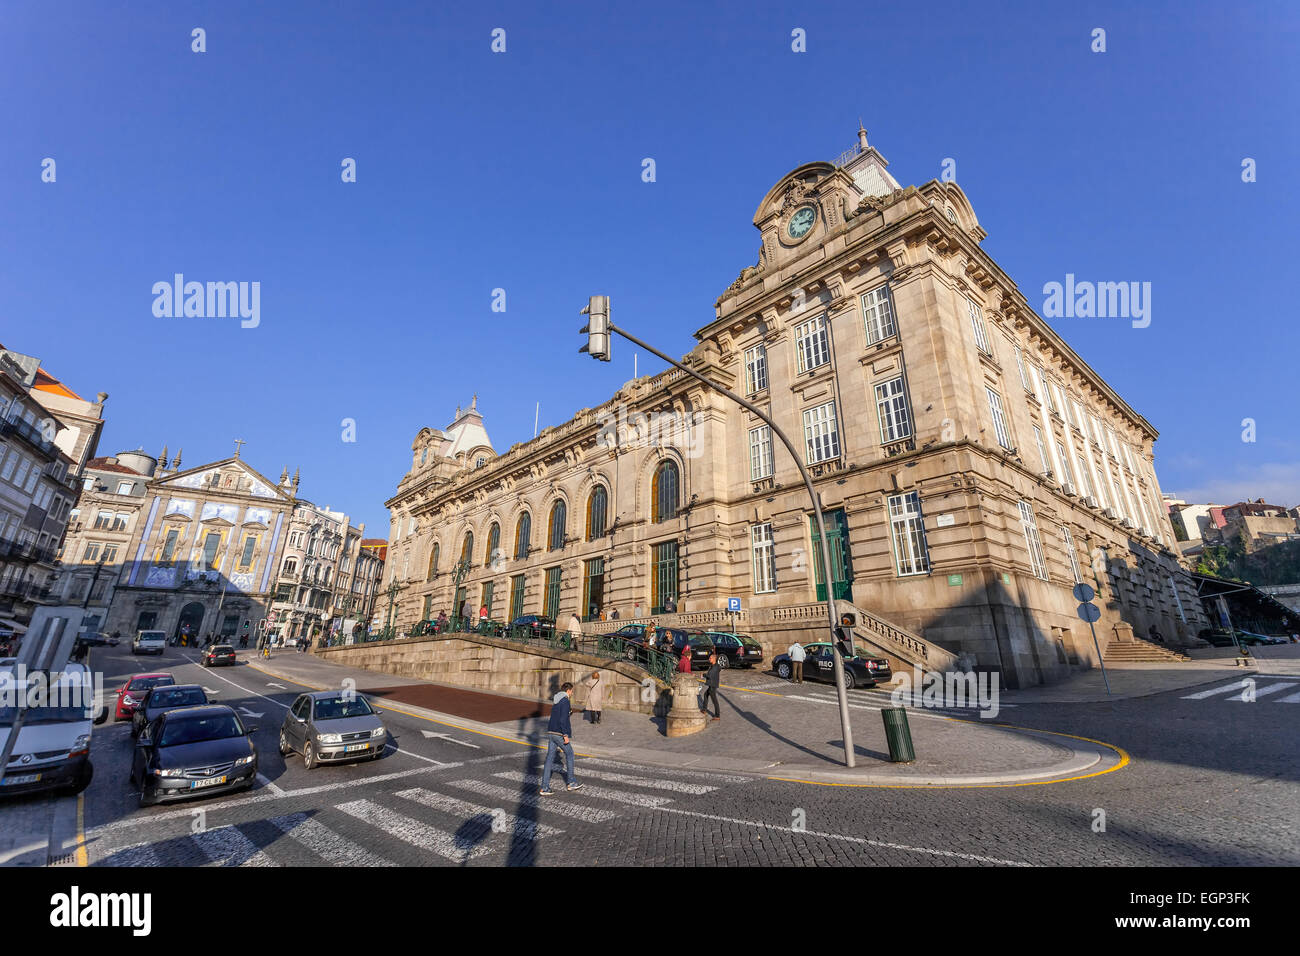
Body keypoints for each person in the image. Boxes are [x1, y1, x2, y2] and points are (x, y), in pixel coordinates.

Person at [539, 682, 582, 795]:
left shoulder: (556, 700)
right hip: (559, 733)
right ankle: (571, 782)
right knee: (570, 754)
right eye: (572, 691)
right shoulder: (566, 701)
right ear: (568, 690)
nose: (572, 693)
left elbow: (558, 716)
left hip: (551, 732)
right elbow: (563, 720)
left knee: (549, 759)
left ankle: (544, 787)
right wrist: (566, 735)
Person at [700, 652, 721, 720]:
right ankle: (704, 709)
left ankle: (717, 715)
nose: (709, 659)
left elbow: (710, 675)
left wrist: (703, 675)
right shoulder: (713, 666)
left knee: (714, 700)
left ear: (714, 659)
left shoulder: (715, 667)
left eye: (710, 658)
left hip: (712, 685)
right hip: (712, 684)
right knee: (706, 694)